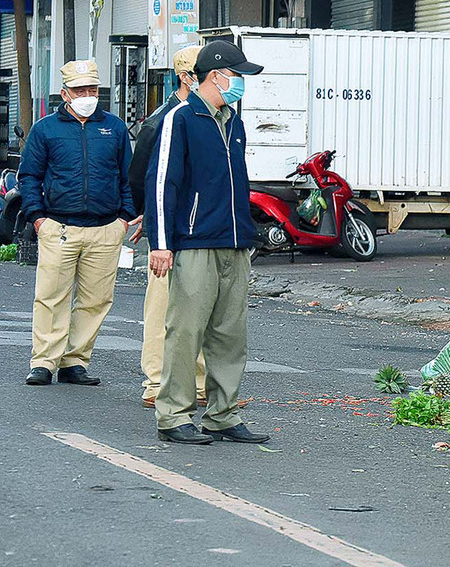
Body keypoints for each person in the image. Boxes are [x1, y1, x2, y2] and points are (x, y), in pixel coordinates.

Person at [144, 40, 269, 446]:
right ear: (216, 76)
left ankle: (223, 414)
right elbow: (162, 181)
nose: (242, 84)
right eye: (238, 76)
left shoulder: (234, 121)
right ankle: (173, 415)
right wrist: (160, 242)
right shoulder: (180, 117)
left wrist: (246, 236)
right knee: (185, 331)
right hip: (194, 241)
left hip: (234, 241)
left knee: (230, 334)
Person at [19, 59, 136, 386]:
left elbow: (127, 177)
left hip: (105, 228)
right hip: (59, 227)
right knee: (50, 296)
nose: (87, 95)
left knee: (96, 299)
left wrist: (124, 218)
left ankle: (75, 361)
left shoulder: (113, 128)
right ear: (64, 93)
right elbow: (29, 176)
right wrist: (37, 217)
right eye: (80, 90)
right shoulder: (46, 129)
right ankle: (43, 361)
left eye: (92, 89)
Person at [128, 45, 208, 409]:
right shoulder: (162, 119)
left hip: (203, 227)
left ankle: (199, 382)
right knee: (162, 307)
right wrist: (149, 214)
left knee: (202, 307)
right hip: (167, 227)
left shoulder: (215, 115)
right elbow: (141, 175)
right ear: (185, 76)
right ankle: (157, 381)